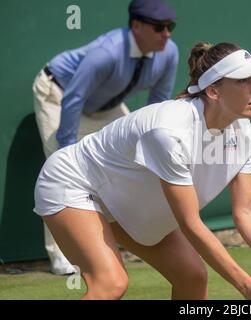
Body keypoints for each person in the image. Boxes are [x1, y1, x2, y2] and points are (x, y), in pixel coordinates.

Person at [34, 42, 251, 299]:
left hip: (123, 200)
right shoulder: (169, 132)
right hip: (74, 183)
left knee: (193, 276)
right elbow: (189, 222)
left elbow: (246, 211)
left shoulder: (244, 134)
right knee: (111, 283)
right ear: (213, 91)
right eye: (243, 80)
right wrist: (245, 285)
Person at [32, 0, 179, 275]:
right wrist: (66, 152)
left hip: (107, 106)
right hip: (60, 94)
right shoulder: (107, 53)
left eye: (170, 27)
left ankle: (129, 239)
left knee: (132, 162)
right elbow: (74, 97)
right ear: (136, 26)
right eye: (159, 27)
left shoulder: (168, 53)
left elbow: (156, 105)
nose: (167, 34)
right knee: (60, 173)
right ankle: (63, 257)